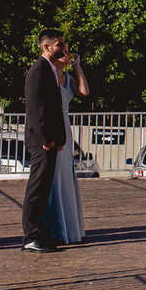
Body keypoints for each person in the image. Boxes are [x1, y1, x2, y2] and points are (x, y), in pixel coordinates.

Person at [21, 29, 69, 253]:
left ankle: (39, 232)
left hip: (50, 140)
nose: (63, 48)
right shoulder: (38, 71)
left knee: (44, 188)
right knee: (37, 188)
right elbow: (36, 107)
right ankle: (31, 236)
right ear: (46, 47)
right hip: (41, 141)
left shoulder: (50, 70)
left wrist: (59, 139)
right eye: (59, 45)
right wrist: (45, 138)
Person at [43, 48, 89, 244]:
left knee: (66, 174)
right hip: (54, 124)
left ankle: (69, 225)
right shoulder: (50, 76)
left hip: (66, 128)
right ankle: (53, 226)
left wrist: (78, 69)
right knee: (54, 175)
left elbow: (85, 92)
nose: (68, 55)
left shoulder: (68, 77)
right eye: (66, 53)